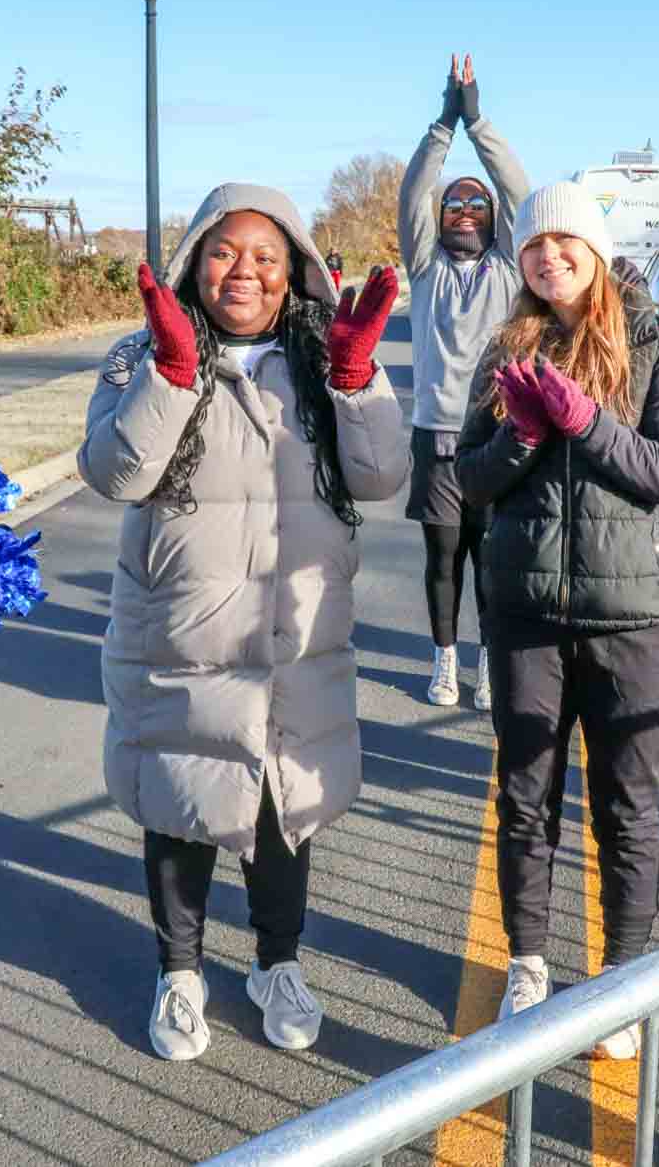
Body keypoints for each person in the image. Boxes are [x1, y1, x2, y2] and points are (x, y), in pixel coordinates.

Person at [80, 185, 409, 1062]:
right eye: (225, 251)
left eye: (267, 256)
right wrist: (171, 374)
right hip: (182, 632)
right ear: (195, 259)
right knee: (180, 799)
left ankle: (277, 963)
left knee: (283, 808)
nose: (245, 272)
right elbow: (114, 472)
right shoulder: (138, 354)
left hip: (296, 633)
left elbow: (381, 476)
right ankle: (178, 970)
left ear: (293, 270)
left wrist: (355, 379)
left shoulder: (323, 354)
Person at [455, 181, 659, 1059]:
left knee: (627, 806)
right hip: (525, 610)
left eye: (564, 242)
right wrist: (521, 436)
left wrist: (586, 420)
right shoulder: (506, 347)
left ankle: (619, 981)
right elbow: (470, 479)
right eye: (532, 245)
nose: (548, 257)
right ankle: (528, 962)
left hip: (633, 616)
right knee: (525, 796)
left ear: (595, 250)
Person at [401, 54, 531, 709]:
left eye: (476, 204)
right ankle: (445, 660)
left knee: (493, 562)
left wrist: (477, 123)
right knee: (444, 558)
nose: (465, 211)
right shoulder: (424, 267)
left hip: (495, 435)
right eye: (455, 203)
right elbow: (412, 193)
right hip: (435, 435)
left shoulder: (507, 266)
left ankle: (486, 664)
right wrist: (442, 127)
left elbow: (518, 192)